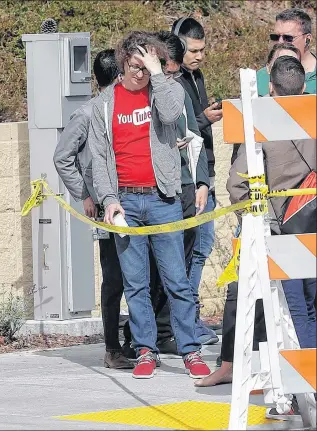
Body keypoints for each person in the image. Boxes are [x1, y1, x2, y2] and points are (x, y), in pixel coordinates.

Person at [89, 31, 211, 380]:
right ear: (122, 64)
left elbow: (174, 116)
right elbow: (99, 160)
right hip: (126, 200)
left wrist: (158, 73)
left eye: (146, 66)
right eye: (134, 66)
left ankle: (190, 350)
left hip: (163, 198)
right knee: (136, 282)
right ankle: (145, 350)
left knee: (176, 279)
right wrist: (109, 200)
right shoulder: (104, 105)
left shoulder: (162, 91)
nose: (139, 74)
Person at [202, 56, 316, 421]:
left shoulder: (260, 122)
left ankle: (305, 390)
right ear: (303, 85)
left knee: (296, 312)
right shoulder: (312, 112)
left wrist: (253, 224)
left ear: (270, 87)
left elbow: (238, 185)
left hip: (285, 230)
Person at [121, 31, 210, 357]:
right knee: (144, 276)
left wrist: (201, 182)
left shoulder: (177, 89)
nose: (166, 76)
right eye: (163, 70)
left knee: (178, 270)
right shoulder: (128, 96)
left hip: (181, 190)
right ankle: (148, 337)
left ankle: (179, 337)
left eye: (170, 71)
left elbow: (195, 137)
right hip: (146, 194)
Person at [54, 50, 132, 370]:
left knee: (142, 277)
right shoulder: (87, 114)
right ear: (117, 77)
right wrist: (84, 194)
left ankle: (136, 340)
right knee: (114, 280)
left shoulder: (130, 110)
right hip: (107, 210)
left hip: (138, 204)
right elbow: (63, 157)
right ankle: (112, 349)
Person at [172, 17, 221, 345]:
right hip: (188, 181)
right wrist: (206, 118)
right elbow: (184, 129)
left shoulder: (197, 77)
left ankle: (188, 317)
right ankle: (184, 320)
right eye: (193, 50)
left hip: (206, 174)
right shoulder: (173, 83)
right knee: (195, 249)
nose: (198, 56)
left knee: (201, 248)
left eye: (202, 50)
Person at [257, 8, 316, 96]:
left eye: (288, 38)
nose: (280, 42)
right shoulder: (261, 77)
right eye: (275, 37)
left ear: (307, 39)